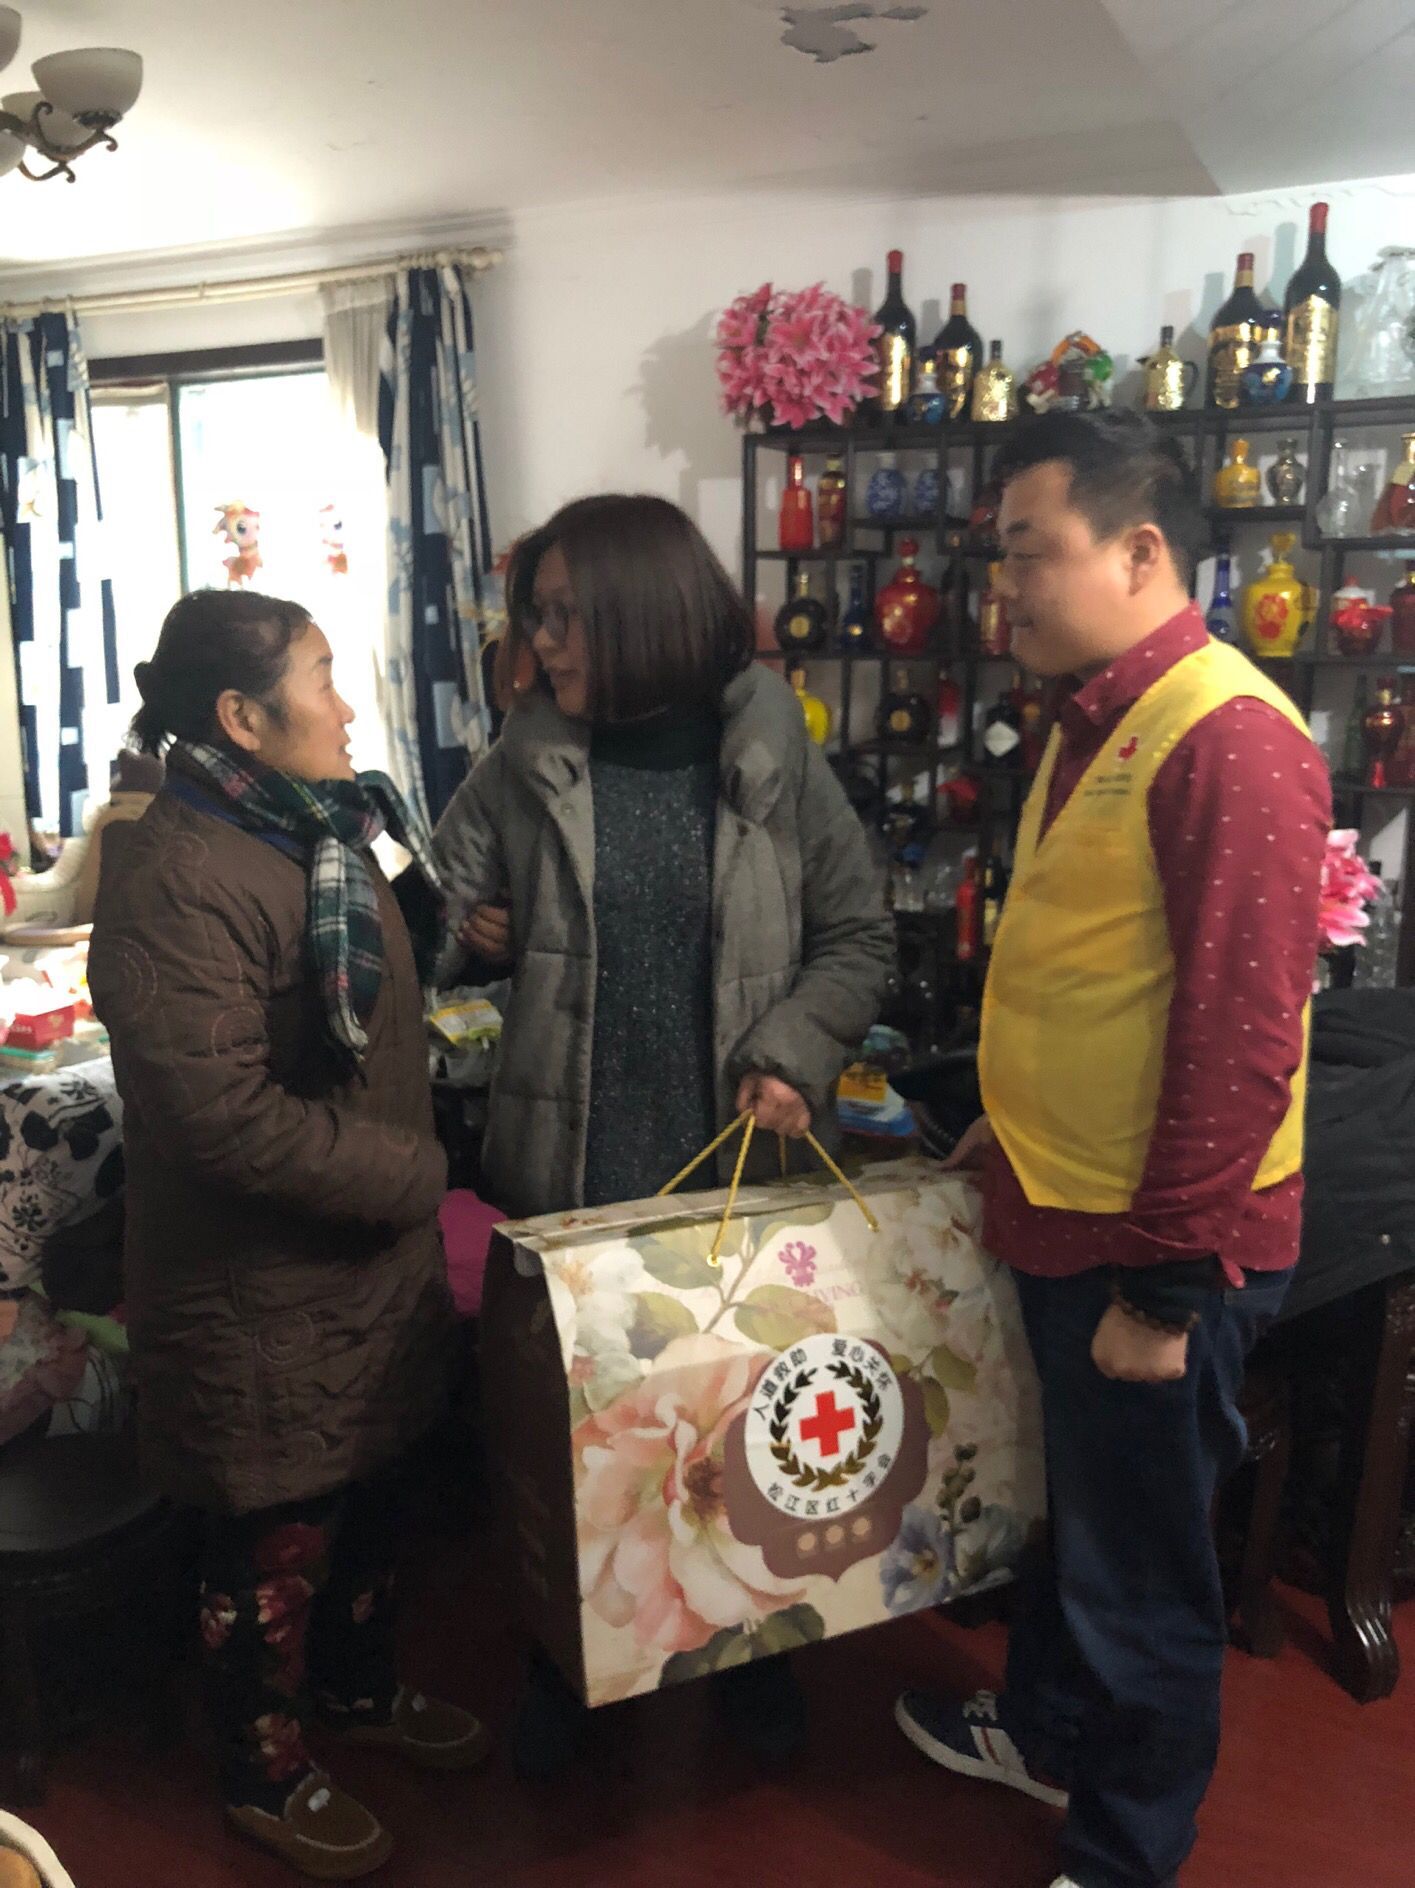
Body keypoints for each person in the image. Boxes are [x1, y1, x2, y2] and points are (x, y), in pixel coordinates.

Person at [893, 411, 1329, 1888]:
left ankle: (1126, 1850)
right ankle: (1046, 1732)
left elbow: (1235, 1037)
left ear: (1140, 552)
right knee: (1072, 1523)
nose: (1000, 589)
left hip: (1153, 1252)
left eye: (1028, 553)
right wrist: (1007, 1129)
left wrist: (1164, 1292)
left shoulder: (1230, 738)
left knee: (1141, 1568)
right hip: (1065, 1207)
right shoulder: (1095, 719)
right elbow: (1095, 976)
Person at [433, 492, 895, 1761]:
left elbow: (856, 937)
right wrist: (469, 933)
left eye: (562, 616)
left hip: (731, 1170)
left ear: (644, 615)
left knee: (744, 1426)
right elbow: (431, 912)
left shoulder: (770, 753)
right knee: (579, 1443)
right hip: (569, 1172)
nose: (540, 645)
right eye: (535, 616)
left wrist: (794, 1050)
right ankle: (564, 1664)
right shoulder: (523, 759)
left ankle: (752, 1656)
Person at [88, 591, 485, 1882]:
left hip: (360, 1266)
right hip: (257, 1288)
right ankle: (261, 1770)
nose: (348, 704)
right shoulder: (175, 873)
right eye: (322, 678)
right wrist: (408, 1172)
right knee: (274, 1541)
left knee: (372, 1500)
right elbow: (216, 1117)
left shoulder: (316, 825)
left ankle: (356, 1695)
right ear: (241, 717)